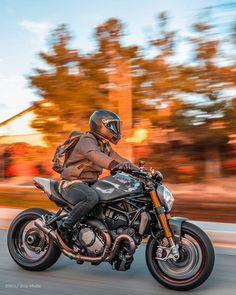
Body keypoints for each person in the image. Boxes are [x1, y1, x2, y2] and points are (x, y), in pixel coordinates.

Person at [58, 110, 138, 244]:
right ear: (102, 125)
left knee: (116, 198)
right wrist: (114, 165)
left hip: (90, 183)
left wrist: (141, 171)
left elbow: (121, 160)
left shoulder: (104, 145)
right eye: (113, 125)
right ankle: (65, 227)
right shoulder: (87, 140)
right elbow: (95, 155)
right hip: (72, 183)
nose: (117, 129)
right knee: (91, 197)